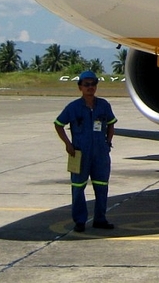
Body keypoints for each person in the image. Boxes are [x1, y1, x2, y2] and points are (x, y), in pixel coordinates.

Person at [54, 71, 117, 232]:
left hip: (100, 153)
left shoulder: (103, 105)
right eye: (86, 84)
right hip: (79, 153)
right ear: (80, 87)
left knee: (102, 187)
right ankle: (80, 221)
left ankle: (100, 219)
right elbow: (58, 124)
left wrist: (108, 142)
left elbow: (111, 123)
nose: (90, 87)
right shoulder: (73, 107)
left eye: (93, 84)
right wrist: (68, 144)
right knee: (78, 187)